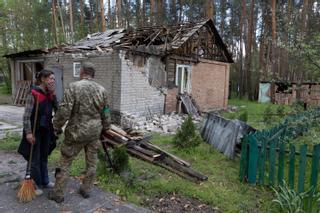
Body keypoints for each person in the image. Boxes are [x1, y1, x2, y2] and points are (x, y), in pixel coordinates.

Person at [48, 62, 111, 203]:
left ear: (82, 72)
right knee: (91, 162)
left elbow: (64, 110)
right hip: (94, 132)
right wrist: (106, 126)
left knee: (65, 161)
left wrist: (56, 125)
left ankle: (58, 194)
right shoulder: (102, 90)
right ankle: (86, 189)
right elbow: (106, 111)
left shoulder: (74, 87)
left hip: (76, 132)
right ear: (92, 74)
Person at [18, 69, 58, 196]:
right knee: (34, 158)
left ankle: (45, 181)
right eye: (50, 78)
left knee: (44, 156)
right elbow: (26, 116)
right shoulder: (34, 93)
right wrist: (29, 133)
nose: (53, 81)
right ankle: (37, 184)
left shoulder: (50, 94)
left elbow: (57, 109)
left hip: (46, 130)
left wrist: (53, 95)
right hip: (34, 131)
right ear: (43, 79)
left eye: (53, 79)